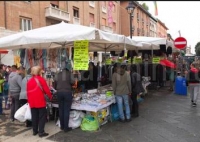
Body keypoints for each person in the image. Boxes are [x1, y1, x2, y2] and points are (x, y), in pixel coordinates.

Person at [27, 66, 52, 137]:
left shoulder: (29, 81)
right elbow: (47, 90)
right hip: (40, 101)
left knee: (34, 117)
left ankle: (35, 131)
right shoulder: (41, 79)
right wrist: (50, 96)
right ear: (39, 72)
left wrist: (29, 101)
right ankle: (41, 132)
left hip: (32, 102)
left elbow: (28, 92)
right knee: (41, 117)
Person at [54, 66, 75, 132]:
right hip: (67, 92)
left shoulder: (58, 74)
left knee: (61, 109)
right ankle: (66, 128)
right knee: (66, 110)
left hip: (59, 92)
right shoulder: (69, 73)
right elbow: (73, 82)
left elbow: (54, 83)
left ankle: (62, 126)